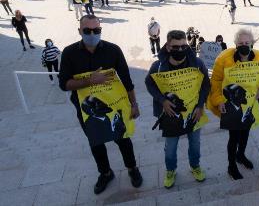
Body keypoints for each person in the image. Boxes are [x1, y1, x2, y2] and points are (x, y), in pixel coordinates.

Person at [58, 15, 142, 194]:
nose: (92, 34)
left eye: (96, 31)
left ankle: (132, 168)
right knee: (96, 142)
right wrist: (90, 80)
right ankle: (105, 173)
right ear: (79, 31)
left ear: (101, 30)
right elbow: (64, 84)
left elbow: (127, 81)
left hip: (115, 105)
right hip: (87, 109)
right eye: (87, 31)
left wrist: (134, 104)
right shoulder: (69, 53)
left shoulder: (113, 50)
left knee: (123, 138)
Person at [145, 30, 210, 188]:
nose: (180, 50)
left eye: (183, 46)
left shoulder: (197, 63)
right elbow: (149, 84)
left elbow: (206, 84)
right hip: (170, 114)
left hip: (194, 112)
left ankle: (195, 166)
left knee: (195, 144)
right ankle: (170, 170)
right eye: (176, 47)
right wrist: (162, 101)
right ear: (167, 46)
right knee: (171, 148)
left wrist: (201, 105)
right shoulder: (158, 66)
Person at [207, 28, 259, 180]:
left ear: (252, 43)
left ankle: (240, 155)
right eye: (241, 43)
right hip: (230, 104)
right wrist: (218, 100)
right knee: (234, 137)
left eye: (247, 43)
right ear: (235, 44)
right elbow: (215, 81)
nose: (244, 45)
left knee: (246, 132)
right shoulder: (224, 58)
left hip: (250, 102)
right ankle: (231, 166)